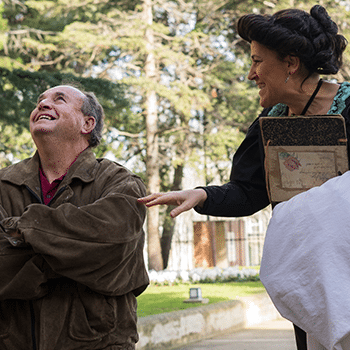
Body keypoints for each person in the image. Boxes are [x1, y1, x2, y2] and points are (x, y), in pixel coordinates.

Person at [138, 5, 350, 350]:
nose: (251, 74)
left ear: (290, 64)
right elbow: (249, 193)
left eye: (256, 61)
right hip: (312, 273)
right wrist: (202, 195)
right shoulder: (269, 124)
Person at [0, 84, 149, 350]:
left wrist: (21, 229)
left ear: (87, 123)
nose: (43, 105)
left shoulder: (120, 183)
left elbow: (112, 244)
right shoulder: (3, 185)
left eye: (59, 99)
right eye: (40, 101)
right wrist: (74, 259)